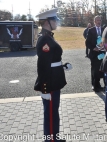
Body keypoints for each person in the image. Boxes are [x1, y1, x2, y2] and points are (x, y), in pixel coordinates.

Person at [34, 8, 70, 142]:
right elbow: (43, 67)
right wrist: (44, 89)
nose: (57, 22)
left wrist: (62, 66)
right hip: (49, 83)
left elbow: (52, 60)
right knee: (50, 112)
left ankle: (54, 137)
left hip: (54, 80)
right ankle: (51, 140)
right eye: (54, 20)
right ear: (47, 22)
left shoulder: (48, 37)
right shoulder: (44, 40)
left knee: (53, 111)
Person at [85, 16, 105, 92]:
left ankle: (101, 85)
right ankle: (95, 85)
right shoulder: (91, 30)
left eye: (100, 20)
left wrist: (105, 47)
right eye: (97, 20)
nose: (99, 21)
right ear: (94, 21)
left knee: (102, 69)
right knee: (94, 70)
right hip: (94, 54)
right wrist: (93, 48)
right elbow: (87, 43)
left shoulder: (104, 29)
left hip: (103, 53)